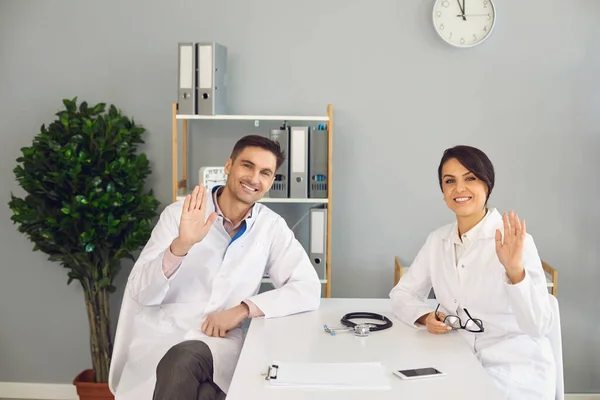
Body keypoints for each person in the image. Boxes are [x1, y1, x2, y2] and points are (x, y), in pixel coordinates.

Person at [108, 135, 321, 400]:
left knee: (191, 370)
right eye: (247, 165)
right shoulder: (178, 215)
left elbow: (308, 288)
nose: (254, 178)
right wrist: (182, 244)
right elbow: (141, 291)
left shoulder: (271, 227)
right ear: (228, 166)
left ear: (270, 181)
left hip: (220, 345)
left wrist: (243, 309)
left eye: (265, 173)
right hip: (166, 338)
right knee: (202, 388)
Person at [389, 145, 555, 400]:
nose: (459, 189)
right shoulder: (438, 240)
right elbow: (402, 294)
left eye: (470, 178)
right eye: (450, 181)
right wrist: (424, 316)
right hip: (456, 358)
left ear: (487, 185)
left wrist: (514, 271)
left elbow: (538, 326)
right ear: (443, 191)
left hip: (514, 368)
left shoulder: (516, 241)